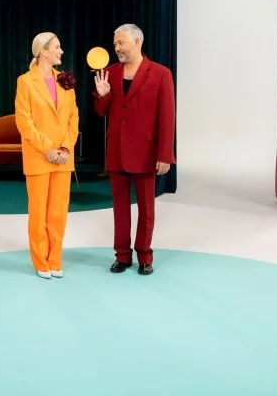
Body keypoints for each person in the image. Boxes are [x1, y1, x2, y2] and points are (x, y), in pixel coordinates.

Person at [93, 23, 175, 276]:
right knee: (119, 208)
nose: (116, 48)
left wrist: (164, 154)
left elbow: (167, 117)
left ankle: (145, 256)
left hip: (147, 152)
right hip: (117, 151)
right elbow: (101, 111)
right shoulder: (109, 73)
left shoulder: (161, 73)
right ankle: (122, 256)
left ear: (137, 42)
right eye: (115, 44)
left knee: (146, 209)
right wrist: (103, 95)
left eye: (121, 43)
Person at [14, 32, 80, 279]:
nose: (61, 51)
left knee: (58, 213)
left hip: (63, 157)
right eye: (57, 47)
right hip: (39, 157)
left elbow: (73, 117)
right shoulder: (25, 81)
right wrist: (48, 149)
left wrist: (65, 148)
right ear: (43, 51)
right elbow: (24, 121)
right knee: (39, 213)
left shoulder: (64, 80)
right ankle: (41, 262)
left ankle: (55, 260)